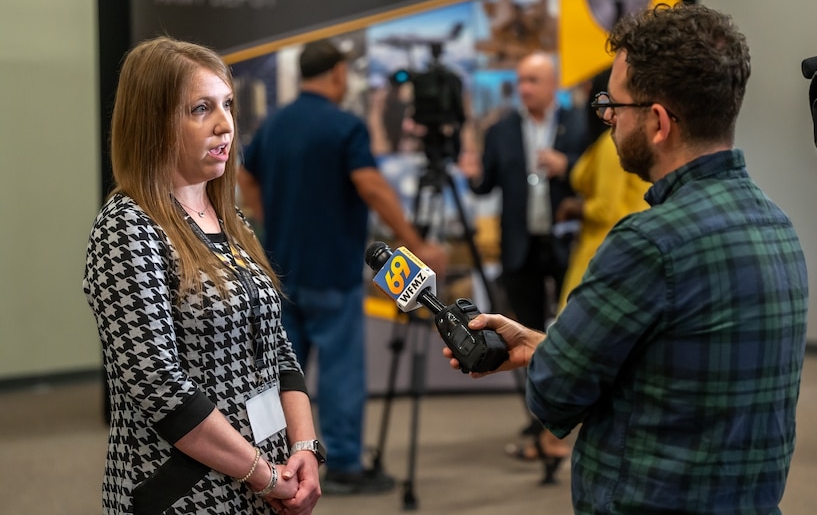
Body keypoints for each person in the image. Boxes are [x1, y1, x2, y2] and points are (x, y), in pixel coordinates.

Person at [445, 3, 808, 514]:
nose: (608, 116)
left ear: (658, 122)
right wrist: (543, 344)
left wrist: (550, 360)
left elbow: (553, 395)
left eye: (613, 104)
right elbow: (678, 369)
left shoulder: (649, 243)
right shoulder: (778, 228)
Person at [83, 37, 322, 514]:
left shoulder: (227, 215)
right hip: (188, 494)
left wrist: (305, 450)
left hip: (262, 479)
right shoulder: (128, 227)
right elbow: (159, 386)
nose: (225, 124)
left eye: (228, 105)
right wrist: (266, 475)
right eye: (199, 109)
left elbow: (277, 348)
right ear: (153, 123)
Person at [238, 39, 448, 495]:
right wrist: (417, 244)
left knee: (279, 375)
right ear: (336, 73)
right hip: (332, 269)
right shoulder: (345, 126)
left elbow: (245, 174)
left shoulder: (275, 123)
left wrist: (264, 224)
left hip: (280, 270)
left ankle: (274, 465)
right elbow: (371, 185)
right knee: (340, 374)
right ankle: (346, 466)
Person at [458, 51, 589, 476]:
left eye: (533, 80)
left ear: (553, 84)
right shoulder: (501, 130)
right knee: (527, 331)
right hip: (520, 247)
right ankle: (541, 419)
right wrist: (470, 172)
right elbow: (485, 186)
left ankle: (573, 413)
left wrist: (567, 167)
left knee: (572, 329)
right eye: (521, 81)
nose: (525, 88)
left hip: (567, 243)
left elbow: (594, 177)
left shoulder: (581, 125)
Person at [555, 67, 651, 310]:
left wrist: (573, 207)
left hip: (603, 249)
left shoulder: (611, 145)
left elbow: (606, 209)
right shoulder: (613, 141)